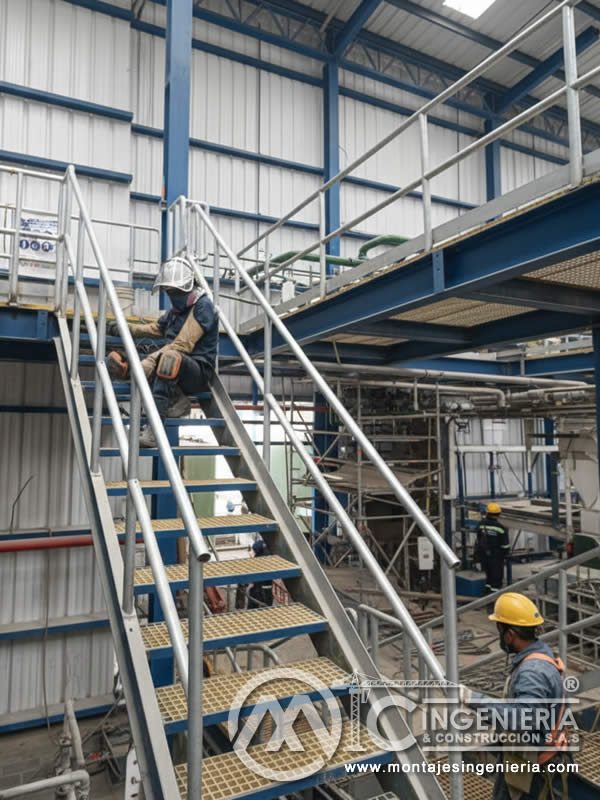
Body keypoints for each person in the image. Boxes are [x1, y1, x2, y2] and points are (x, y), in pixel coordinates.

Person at [460, 593, 570, 800]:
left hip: (533, 767)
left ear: (509, 634)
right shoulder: (542, 653)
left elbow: (523, 718)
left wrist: (472, 698)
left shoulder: (532, 672)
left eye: (500, 630)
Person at [106, 257, 218, 447]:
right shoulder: (176, 311)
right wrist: (127, 328)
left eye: (176, 291)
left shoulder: (203, 306)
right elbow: (156, 328)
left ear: (188, 287)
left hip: (197, 373)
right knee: (117, 362)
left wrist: (150, 361)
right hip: (174, 371)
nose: (172, 295)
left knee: (168, 359)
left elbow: (183, 344)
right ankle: (176, 399)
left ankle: (154, 431)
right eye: (169, 291)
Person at [475, 502, 510, 595]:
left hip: (484, 555)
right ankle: (494, 598)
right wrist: (504, 555)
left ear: (487, 513)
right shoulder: (500, 528)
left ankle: (487, 594)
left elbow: (478, 537)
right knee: (496, 579)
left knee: (489, 576)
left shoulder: (481, 524)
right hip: (496, 557)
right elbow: (505, 546)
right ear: (498, 514)